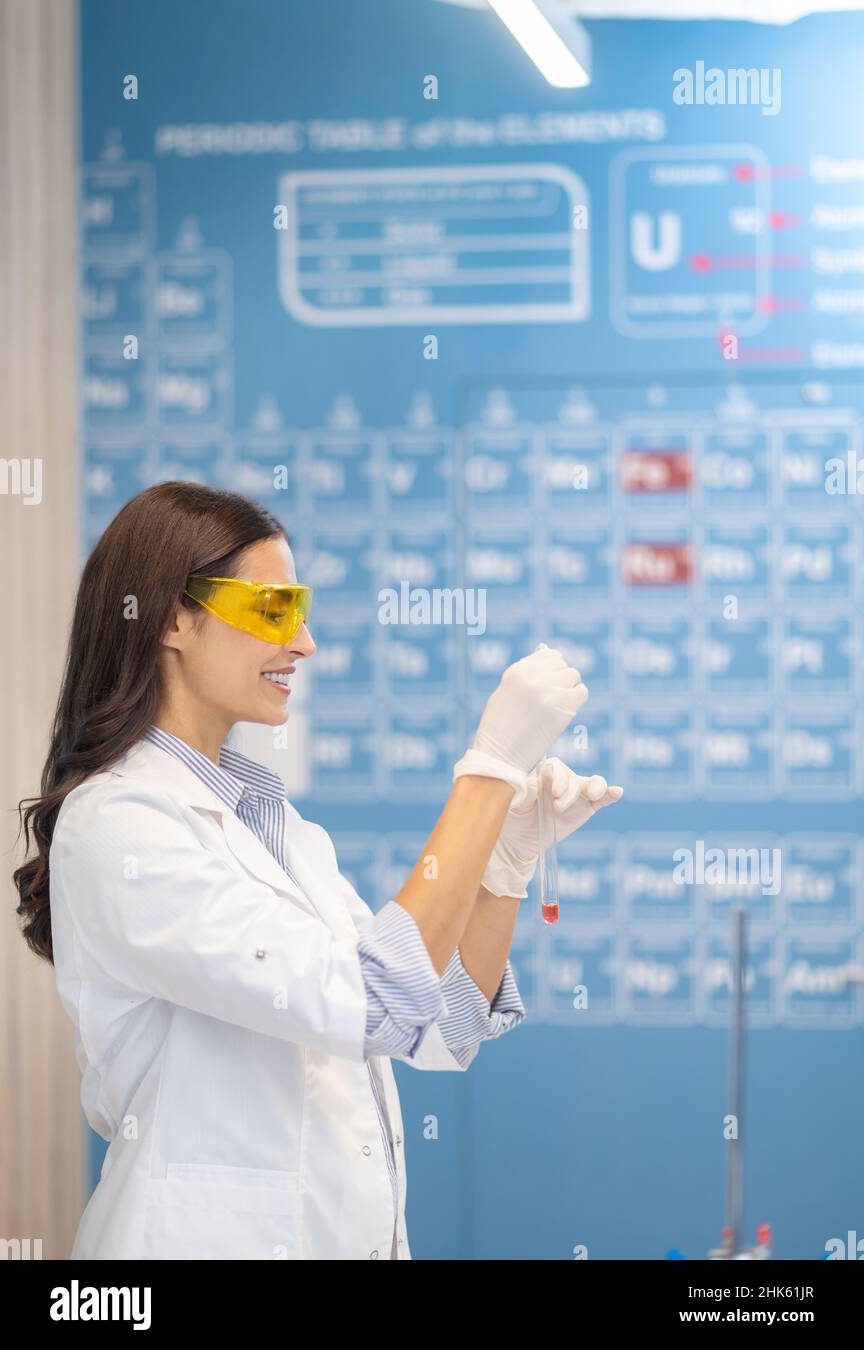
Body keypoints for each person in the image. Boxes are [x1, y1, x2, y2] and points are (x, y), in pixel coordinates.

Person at [14, 481, 623, 1260]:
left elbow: (439, 1025)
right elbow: (379, 1000)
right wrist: (490, 768)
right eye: (274, 608)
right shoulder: (120, 826)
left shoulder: (284, 833)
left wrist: (502, 866)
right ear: (172, 617)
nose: (304, 644)